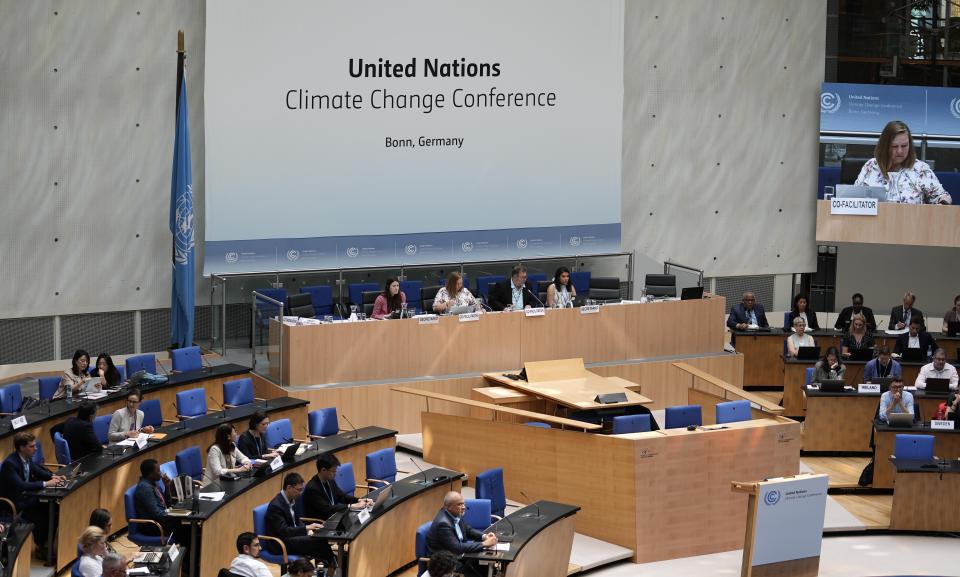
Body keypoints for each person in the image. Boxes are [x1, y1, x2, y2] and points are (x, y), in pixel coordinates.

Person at [854, 120, 952, 205]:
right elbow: (853, 199)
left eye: (904, 146)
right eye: (894, 146)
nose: (900, 151)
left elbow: (943, 196)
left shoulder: (920, 169)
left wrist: (942, 204)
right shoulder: (871, 166)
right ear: (885, 147)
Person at [0, 432, 65, 554]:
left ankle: (45, 545)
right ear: (21, 448)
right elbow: (21, 485)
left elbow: (39, 471)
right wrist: (46, 484)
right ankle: (42, 547)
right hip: (15, 502)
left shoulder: (26, 458)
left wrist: (54, 476)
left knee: (54, 509)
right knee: (44, 514)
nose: (35, 449)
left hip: (28, 497)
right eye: (32, 446)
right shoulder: (10, 464)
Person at [264, 473, 334, 568]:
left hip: (292, 538)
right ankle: (332, 567)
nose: (300, 493)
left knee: (320, 542)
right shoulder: (276, 506)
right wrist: (306, 528)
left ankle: (327, 568)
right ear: (289, 488)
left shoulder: (292, 499)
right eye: (299, 490)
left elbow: (297, 520)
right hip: (280, 543)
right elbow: (283, 531)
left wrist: (308, 530)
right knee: (319, 542)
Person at [303, 452, 373, 520]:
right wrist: (351, 506)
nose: (335, 474)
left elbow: (341, 496)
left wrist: (358, 500)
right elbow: (327, 509)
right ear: (323, 470)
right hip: (322, 523)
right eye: (333, 471)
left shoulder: (330, 481)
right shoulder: (312, 488)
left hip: (335, 517)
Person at [133, 458, 188, 544]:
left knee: (188, 525)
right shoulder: (145, 489)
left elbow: (166, 503)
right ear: (150, 474)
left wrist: (167, 487)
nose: (161, 474)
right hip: (153, 526)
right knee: (187, 529)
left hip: (163, 521)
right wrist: (175, 514)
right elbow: (157, 514)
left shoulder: (153, 483)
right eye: (158, 471)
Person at [426, 491, 497, 557]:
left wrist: (484, 536)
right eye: (459, 504)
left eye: (463, 504)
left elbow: (468, 530)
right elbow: (457, 548)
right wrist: (484, 544)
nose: (464, 507)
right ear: (449, 507)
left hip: (458, 553)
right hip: (446, 561)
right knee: (481, 565)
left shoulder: (455, 514)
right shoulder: (443, 524)